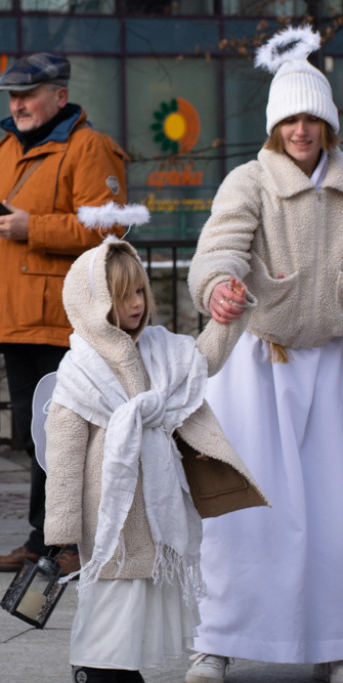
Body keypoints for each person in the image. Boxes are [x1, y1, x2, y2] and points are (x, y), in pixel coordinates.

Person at [185, 25, 343, 683]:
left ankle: (331, 640)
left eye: (312, 118)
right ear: (276, 126)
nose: (301, 131)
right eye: (289, 120)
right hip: (258, 362)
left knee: (332, 510)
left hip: (331, 362)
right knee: (242, 507)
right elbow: (220, 246)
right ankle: (214, 639)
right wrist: (220, 286)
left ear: (327, 124)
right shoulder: (247, 180)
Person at [43, 232, 268, 683]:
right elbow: (65, 454)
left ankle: (121, 668)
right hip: (109, 511)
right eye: (122, 296)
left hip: (155, 501)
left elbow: (201, 362)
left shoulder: (161, 348)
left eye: (140, 291)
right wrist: (62, 529)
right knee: (111, 592)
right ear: (94, 302)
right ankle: (96, 669)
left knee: (141, 593)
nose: (136, 304)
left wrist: (225, 321)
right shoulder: (80, 369)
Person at [0, 52, 129, 576]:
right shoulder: (4, 150)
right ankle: (44, 541)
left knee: (67, 436)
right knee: (35, 437)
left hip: (64, 321)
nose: (17, 105)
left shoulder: (89, 148)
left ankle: (69, 545)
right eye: (12, 97)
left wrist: (33, 228)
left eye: (27, 95)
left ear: (59, 96)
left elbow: (110, 229)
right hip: (14, 322)